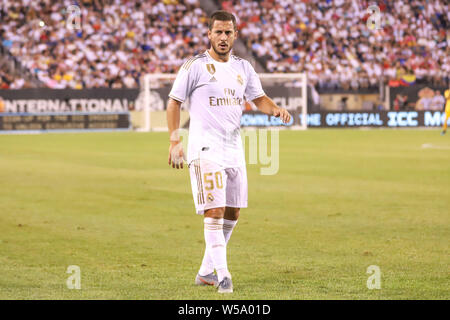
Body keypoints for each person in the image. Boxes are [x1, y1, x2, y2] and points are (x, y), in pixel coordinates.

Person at [166, 10, 291, 293]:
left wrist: (275, 109)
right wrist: (175, 141)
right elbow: (174, 103)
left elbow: (258, 98)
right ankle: (223, 276)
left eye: (228, 32)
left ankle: (205, 272)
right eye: (218, 32)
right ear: (209, 34)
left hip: (233, 148)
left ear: (235, 34)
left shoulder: (243, 68)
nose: (223, 37)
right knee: (215, 210)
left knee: (233, 213)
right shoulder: (194, 66)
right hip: (204, 148)